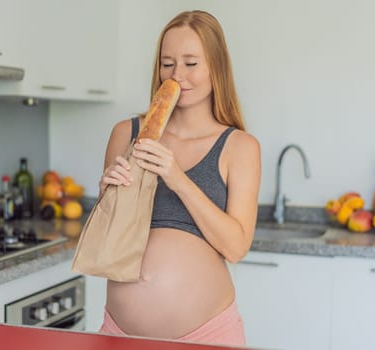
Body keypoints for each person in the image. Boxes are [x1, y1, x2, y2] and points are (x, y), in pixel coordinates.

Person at [98, 10, 261, 346]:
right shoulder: (126, 133)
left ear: (216, 67)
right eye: (167, 63)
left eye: (191, 63)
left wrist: (177, 177)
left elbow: (236, 247)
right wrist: (107, 197)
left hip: (208, 336)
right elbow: (107, 243)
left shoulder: (240, 147)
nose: (177, 76)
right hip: (119, 333)